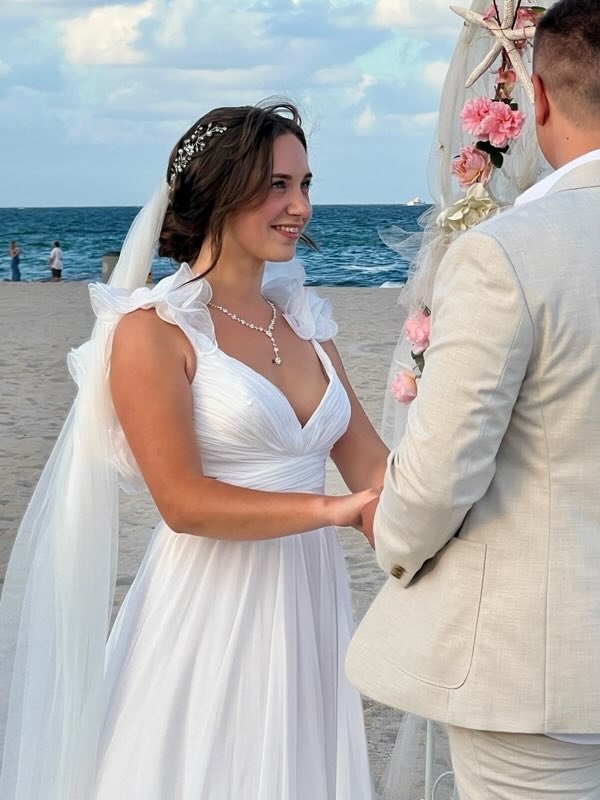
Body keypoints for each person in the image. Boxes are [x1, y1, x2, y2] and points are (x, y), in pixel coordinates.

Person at [0, 102, 388, 799]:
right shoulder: (153, 330)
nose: (300, 207)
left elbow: (373, 467)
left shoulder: (305, 321)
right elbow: (182, 502)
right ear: (219, 191)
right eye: (277, 185)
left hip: (310, 598)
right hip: (211, 602)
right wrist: (333, 510)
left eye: (305, 184)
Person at [347, 0, 600, 798]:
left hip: (545, 674)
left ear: (539, 96)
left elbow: (442, 470)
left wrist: (393, 536)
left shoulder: (510, 252)